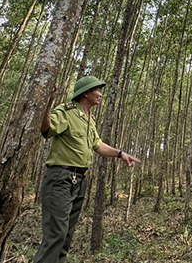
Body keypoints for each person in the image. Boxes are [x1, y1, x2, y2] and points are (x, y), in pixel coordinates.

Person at [34, 75, 140, 263]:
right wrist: (48, 102)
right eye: (97, 90)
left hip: (79, 181)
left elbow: (98, 145)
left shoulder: (89, 119)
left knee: (66, 236)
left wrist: (120, 153)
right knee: (55, 236)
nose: (100, 94)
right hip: (60, 179)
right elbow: (46, 128)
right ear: (85, 93)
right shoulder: (67, 112)